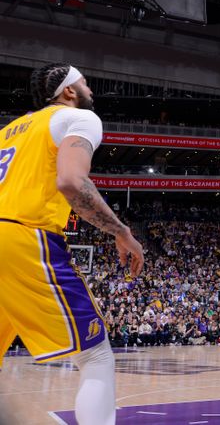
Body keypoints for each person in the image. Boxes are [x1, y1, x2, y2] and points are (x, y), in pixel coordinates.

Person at [0, 63, 145, 425]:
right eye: (84, 83)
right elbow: (70, 180)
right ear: (68, 91)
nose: (90, 90)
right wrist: (121, 231)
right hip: (23, 235)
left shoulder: (7, 133)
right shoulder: (78, 118)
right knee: (96, 357)